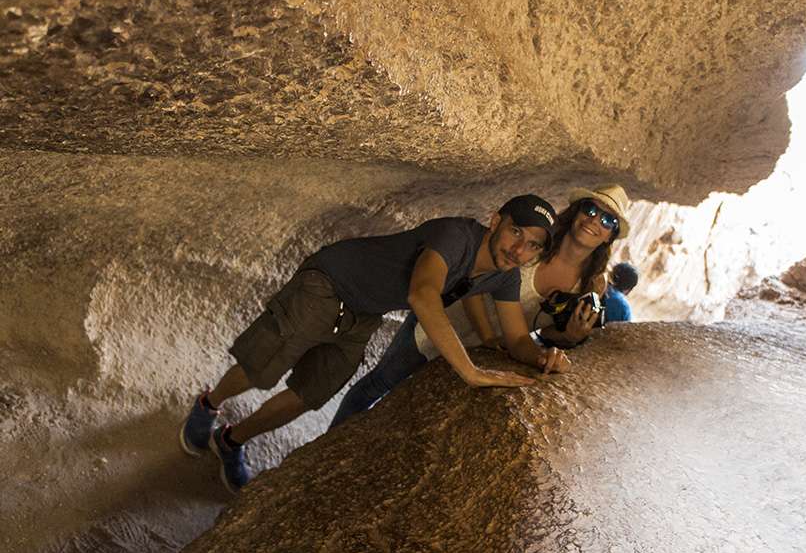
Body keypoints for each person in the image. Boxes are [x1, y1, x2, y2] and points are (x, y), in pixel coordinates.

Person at [179, 194, 570, 492]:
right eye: (516, 232)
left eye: (533, 245)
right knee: (264, 365)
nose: (519, 250)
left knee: (309, 394)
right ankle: (208, 406)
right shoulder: (455, 235)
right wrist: (470, 371)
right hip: (330, 281)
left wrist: (542, 357)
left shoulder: (504, 278)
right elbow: (422, 294)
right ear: (496, 221)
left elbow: (517, 338)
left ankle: (230, 441)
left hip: (365, 311)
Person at [330, 183, 630, 429]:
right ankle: (327, 446)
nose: (594, 221)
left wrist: (566, 340)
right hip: (442, 323)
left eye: (608, 221)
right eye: (590, 210)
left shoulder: (592, 285)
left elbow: (543, 331)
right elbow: (474, 281)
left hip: (490, 349)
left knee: (412, 411)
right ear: (577, 212)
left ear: (611, 237)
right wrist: (488, 338)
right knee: (380, 383)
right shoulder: (535, 242)